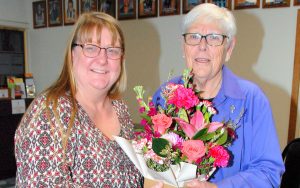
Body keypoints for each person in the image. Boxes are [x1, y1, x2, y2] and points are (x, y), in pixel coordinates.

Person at [152, 3, 285, 188]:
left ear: (229, 49)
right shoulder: (164, 95)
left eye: (214, 38)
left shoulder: (252, 100)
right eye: (194, 37)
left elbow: (268, 174)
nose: (202, 46)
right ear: (183, 47)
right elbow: (150, 160)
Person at [15, 12, 144, 187]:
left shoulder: (120, 110)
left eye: (113, 50)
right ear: (72, 54)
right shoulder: (50, 111)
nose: (103, 59)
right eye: (91, 48)